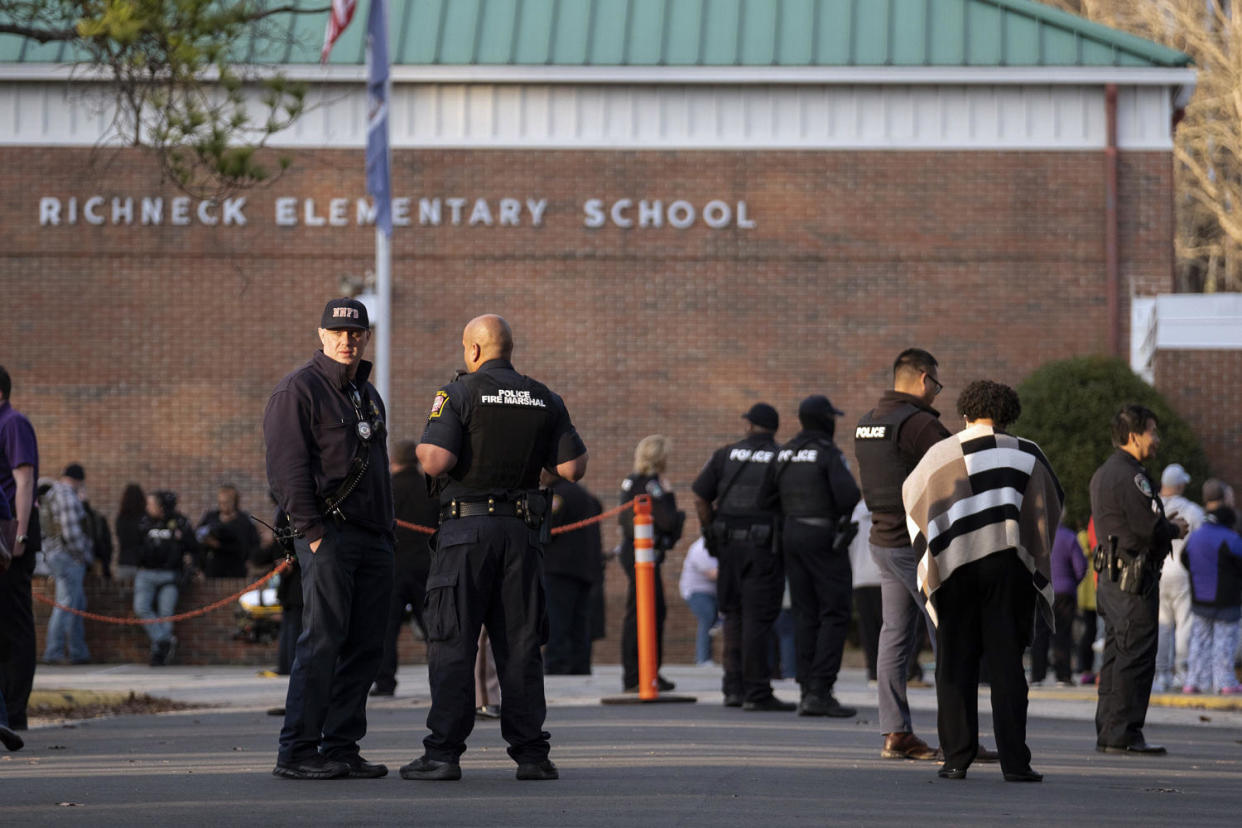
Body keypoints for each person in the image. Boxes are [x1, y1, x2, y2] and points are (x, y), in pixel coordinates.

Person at [405, 313, 587, 782]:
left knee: (453, 642)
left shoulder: (457, 393)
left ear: (473, 350)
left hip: (465, 535)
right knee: (521, 645)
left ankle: (443, 754)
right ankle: (531, 755)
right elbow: (572, 468)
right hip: (521, 535)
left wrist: (423, 454)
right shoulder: (544, 397)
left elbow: (439, 458)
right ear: (510, 349)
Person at [264, 297, 395, 781]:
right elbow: (287, 471)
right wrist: (313, 534)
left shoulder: (367, 395)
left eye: (356, 333)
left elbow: (377, 470)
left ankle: (341, 746)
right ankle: (297, 750)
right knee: (321, 642)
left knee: (366, 646)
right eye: (338, 333)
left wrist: (388, 533)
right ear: (321, 335)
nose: (347, 340)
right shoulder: (298, 391)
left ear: (365, 338)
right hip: (329, 536)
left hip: (374, 539)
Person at [904, 379, 1062, 783]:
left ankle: (956, 758)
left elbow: (912, 495)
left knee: (954, 662)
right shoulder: (1028, 453)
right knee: (1008, 664)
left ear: (965, 413)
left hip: (955, 566)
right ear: (1010, 414)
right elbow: (1051, 503)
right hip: (1010, 567)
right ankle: (1016, 763)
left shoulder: (941, 453)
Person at [853, 348, 948, 760]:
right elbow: (959, 471)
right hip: (917, 545)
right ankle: (959, 735)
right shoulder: (918, 424)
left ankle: (895, 733)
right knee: (949, 633)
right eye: (937, 385)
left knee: (893, 637)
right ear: (923, 379)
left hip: (883, 542)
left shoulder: (868, 423)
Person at [1090, 403, 1186, 755]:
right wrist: (1173, 527)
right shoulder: (1131, 475)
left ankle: (1110, 729)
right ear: (1134, 436)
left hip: (1113, 578)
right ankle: (1125, 732)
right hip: (1133, 578)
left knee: (1117, 654)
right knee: (1136, 655)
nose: (1156, 439)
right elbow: (1146, 529)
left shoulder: (1104, 472)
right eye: (1152, 432)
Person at [758, 394, 861, 717]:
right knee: (834, 611)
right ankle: (821, 690)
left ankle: (806, 690)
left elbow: (764, 499)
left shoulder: (786, 452)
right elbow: (849, 496)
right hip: (823, 538)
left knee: (804, 613)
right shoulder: (828, 453)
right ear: (826, 420)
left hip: (791, 536)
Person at [692, 403, 791, 711]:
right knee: (758, 619)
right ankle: (757, 691)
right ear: (773, 429)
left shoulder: (725, 454)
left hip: (728, 547)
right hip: (764, 549)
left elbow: (700, 495)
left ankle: (733, 689)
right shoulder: (781, 457)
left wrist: (709, 530)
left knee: (732, 615)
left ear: (749, 425)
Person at [372, 440, 439, 697]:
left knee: (387, 629)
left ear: (394, 460)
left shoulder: (386, 487)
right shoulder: (430, 487)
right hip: (427, 563)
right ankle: (440, 679)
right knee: (433, 626)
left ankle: (385, 681)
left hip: (392, 564)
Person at [619, 435, 683, 692]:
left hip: (634, 552)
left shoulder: (632, 481)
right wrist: (668, 495)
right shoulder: (652, 484)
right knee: (645, 611)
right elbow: (667, 520)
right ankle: (639, 674)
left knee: (646, 610)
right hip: (642, 554)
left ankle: (645, 671)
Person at [0, 364, 40, 733]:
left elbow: (23, 479)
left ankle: (14, 713)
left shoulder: (12, 423)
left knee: (14, 622)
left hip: (12, 529)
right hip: (7, 526)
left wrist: (20, 535)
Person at [1180, 479, 1242, 695]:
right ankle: (1225, 682)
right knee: (1225, 642)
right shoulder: (1231, 538)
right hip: (1227, 600)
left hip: (1200, 597)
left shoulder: (1195, 537)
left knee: (1199, 640)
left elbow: (1184, 559)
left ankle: (1193, 681)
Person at [543, 472, 603, 676]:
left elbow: (546, 528)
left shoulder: (558, 495)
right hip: (584, 569)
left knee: (557, 619)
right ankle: (580, 664)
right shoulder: (585, 495)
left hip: (559, 569)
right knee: (579, 622)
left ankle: (557, 664)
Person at [1153, 464, 1205, 692]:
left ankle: (1161, 674)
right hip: (1182, 571)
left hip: (1157, 569)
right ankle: (1182, 673)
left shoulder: (1151, 506)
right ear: (1180, 485)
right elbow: (1201, 541)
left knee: (1162, 624)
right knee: (1184, 623)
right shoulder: (1192, 510)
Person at [135, 490, 197, 666]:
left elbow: (192, 545)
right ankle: (164, 641)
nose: (148, 507)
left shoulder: (179, 522)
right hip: (146, 573)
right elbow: (135, 544)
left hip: (170, 574)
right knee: (141, 607)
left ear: (161, 506)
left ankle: (159, 655)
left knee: (166, 614)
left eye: (151, 504)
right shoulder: (144, 522)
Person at [39, 468, 94, 665]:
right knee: (66, 604)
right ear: (79, 480)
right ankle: (54, 652)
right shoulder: (66, 495)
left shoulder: (53, 493)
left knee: (76, 604)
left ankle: (78, 651)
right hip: (68, 557)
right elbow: (71, 531)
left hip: (55, 554)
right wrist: (83, 555)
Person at [1029, 514, 1087, 687]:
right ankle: (1063, 675)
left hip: (1041, 590)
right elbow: (1081, 566)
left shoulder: (1036, 539)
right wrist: (1072, 582)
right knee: (1062, 633)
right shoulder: (1069, 537)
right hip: (1064, 592)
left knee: (1040, 633)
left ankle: (1037, 675)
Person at [848, 501, 882, 684]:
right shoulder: (888, 504)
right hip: (884, 576)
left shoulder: (856, 512)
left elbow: (849, 545)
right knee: (891, 628)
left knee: (868, 629)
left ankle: (873, 671)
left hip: (860, 577)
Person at [196, 484, 261, 579]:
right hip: (214, 567)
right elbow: (198, 535)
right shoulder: (211, 517)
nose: (223, 506)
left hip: (237, 567)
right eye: (221, 503)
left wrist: (251, 562)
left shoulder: (244, 519)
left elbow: (252, 542)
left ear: (234, 502)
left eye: (226, 502)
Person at [62, 465, 112, 580]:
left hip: (82, 557)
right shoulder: (66, 500)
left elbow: (99, 538)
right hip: (74, 557)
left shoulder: (92, 515)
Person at [679, 536, 718, 666]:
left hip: (714, 592)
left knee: (715, 619)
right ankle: (702, 658)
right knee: (707, 616)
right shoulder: (700, 548)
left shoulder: (718, 546)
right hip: (696, 591)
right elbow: (713, 574)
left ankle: (706, 656)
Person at [113, 483, 147, 584]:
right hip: (141, 564)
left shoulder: (121, 518)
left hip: (124, 562)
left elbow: (120, 537)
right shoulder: (145, 519)